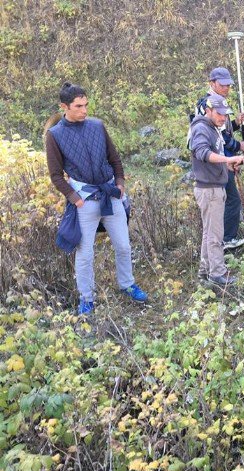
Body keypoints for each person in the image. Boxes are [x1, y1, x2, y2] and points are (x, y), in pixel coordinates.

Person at [46, 83, 148, 315]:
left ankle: (127, 284)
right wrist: (74, 198)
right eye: (78, 106)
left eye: (86, 105)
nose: (84, 110)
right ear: (64, 107)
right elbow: (55, 175)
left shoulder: (97, 126)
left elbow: (115, 159)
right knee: (85, 253)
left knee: (123, 245)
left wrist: (120, 184)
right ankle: (87, 298)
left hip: (110, 194)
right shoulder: (55, 135)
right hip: (84, 200)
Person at [192, 67, 244, 251]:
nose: (226, 88)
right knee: (231, 199)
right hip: (215, 165)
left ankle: (222, 240)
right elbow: (215, 136)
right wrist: (237, 147)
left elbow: (223, 130)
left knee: (228, 198)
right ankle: (226, 239)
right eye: (222, 84)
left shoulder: (220, 101)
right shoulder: (206, 104)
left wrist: (235, 123)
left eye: (228, 84)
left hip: (223, 160)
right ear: (212, 83)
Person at [189, 94, 244, 286]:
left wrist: (228, 166)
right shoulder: (201, 129)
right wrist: (228, 160)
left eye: (225, 114)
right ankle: (218, 274)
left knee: (209, 233)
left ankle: (205, 272)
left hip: (214, 186)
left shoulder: (214, 129)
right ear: (208, 110)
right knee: (215, 235)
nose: (223, 117)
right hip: (209, 189)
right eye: (219, 113)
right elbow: (202, 153)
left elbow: (213, 157)